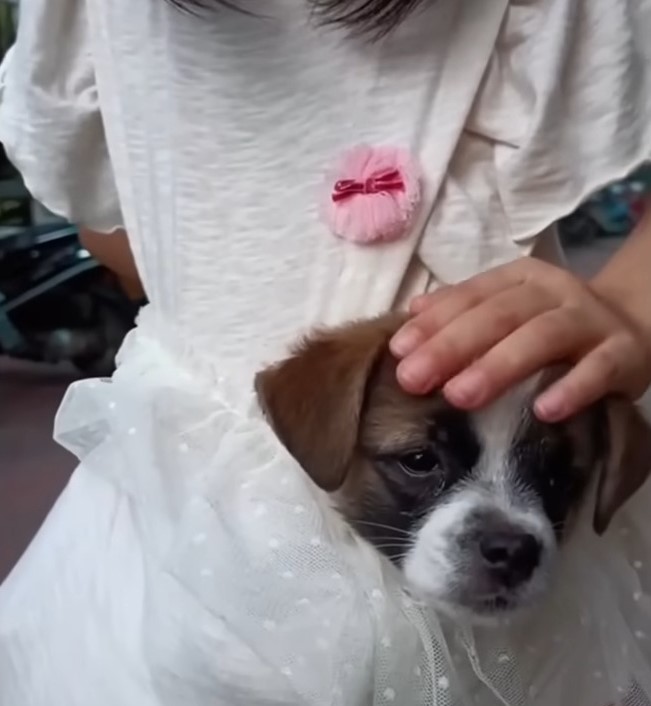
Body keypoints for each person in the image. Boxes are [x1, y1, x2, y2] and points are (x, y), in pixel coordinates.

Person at [0, 0, 650, 704]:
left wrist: (630, 310)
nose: (509, 533)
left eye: (555, 479)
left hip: (519, 400)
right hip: (198, 474)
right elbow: (104, 213)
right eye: (423, 460)